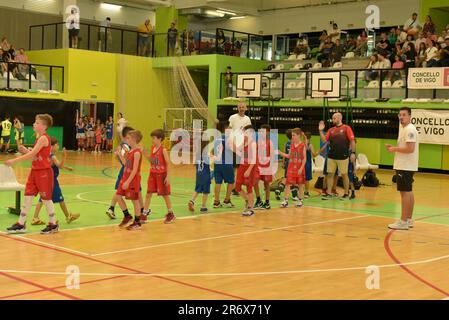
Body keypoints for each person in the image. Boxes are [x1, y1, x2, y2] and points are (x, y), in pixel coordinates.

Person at [5, 114, 58, 234]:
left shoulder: (44, 138)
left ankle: (53, 223)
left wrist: (14, 161)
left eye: (37, 122)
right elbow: (35, 155)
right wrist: (26, 150)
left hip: (44, 172)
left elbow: (31, 155)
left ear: (44, 126)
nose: (34, 124)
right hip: (34, 171)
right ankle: (21, 223)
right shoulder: (38, 138)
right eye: (35, 122)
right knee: (27, 197)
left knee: (46, 199)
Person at [31, 138, 80, 225]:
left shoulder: (46, 154)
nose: (58, 147)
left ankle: (35, 217)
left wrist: (66, 167)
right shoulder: (52, 156)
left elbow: (53, 165)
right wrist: (64, 157)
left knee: (43, 198)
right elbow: (59, 165)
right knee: (60, 199)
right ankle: (67, 216)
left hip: (44, 179)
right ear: (52, 146)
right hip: (52, 180)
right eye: (57, 145)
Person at [385, 107, 419, 230]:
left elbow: (410, 149)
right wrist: (395, 147)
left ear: (410, 116)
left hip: (405, 166)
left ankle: (403, 221)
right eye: (400, 115)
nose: (401, 117)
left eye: (404, 115)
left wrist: (394, 149)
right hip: (407, 166)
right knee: (408, 191)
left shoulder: (409, 129)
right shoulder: (405, 129)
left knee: (405, 193)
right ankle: (408, 219)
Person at [319, 113, 356, 200]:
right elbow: (324, 140)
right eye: (332, 118)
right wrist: (321, 131)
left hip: (343, 156)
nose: (333, 120)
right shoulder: (331, 130)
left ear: (339, 118)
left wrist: (353, 153)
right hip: (331, 156)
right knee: (330, 175)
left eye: (334, 118)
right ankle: (329, 193)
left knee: (344, 175)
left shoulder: (347, 128)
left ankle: (346, 194)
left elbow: (352, 141)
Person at [142, 129, 176, 224]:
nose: (152, 140)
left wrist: (168, 177)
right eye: (151, 138)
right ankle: (144, 214)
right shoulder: (152, 148)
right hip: (152, 173)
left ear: (160, 139)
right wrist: (145, 154)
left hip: (161, 175)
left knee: (165, 195)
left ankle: (171, 214)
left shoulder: (163, 150)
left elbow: (168, 164)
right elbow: (152, 161)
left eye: (154, 138)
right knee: (148, 194)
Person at [115, 130, 143, 230]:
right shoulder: (130, 151)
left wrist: (128, 181)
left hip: (132, 179)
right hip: (125, 177)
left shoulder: (137, 152)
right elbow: (126, 164)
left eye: (129, 138)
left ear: (134, 139)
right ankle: (127, 216)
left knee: (134, 201)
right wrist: (119, 155)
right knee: (118, 196)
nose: (127, 140)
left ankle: (137, 222)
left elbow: (135, 169)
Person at [106, 126, 134, 220]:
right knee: (122, 192)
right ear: (127, 136)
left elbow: (117, 156)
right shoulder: (125, 146)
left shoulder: (126, 145)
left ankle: (111, 208)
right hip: (126, 170)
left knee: (119, 191)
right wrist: (120, 155)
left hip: (126, 169)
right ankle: (140, 211)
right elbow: (123, 160)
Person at [232, 125, 259, 216]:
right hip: (242, 166)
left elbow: (254, 159)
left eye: (244, 132)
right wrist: (232, 143)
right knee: (237, 187)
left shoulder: (253, 144)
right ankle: (247, 201)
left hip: (250, 167)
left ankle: (251, 209)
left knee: (248, 187)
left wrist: (249, 170)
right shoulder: (244, 142)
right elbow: (238, 152)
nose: (243, 134)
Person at [278, 128, 306, 208]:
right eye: (292, 135)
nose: (292, 137)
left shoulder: (302, 145)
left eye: (294, 135)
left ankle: (300, 200)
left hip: (299, 167)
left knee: (300, 184)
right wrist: (281, 153)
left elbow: (304, 158)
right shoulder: (292, 144)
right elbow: (289, 156)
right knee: (287, 184)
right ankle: (285, 201)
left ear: (299, 136)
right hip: (291, 167)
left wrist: (301, 168)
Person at [228, 102, 252, 195]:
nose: (241, 108)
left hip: (243, 147)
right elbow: (229, 130)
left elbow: (248, 132)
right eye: (240, 107)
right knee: (233, 168)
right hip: (234, 146)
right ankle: (232, 186)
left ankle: (236, 187)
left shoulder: (247, 119)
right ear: (237, 108)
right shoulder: (232, 117)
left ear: (246, 108)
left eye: (243, 107)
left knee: (241, 168)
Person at [212, 121, 235, 208]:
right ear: (225, 129)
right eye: (229, 127)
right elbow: (234, 149)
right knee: (231, 181)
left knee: (218, 182)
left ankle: (216, 202)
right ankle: (227, 200)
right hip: (226, 163)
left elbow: (213, 151)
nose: (230, 129)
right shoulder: (227, 138)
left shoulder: (217, 138)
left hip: (217, 164)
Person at [188, 140, 212, 214]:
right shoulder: (206, 155)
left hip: (198, 175)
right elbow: (208, 166)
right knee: (206, 191)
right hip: (205, 175)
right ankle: (203, 206)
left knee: (197, 189)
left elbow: (197, 165)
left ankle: (192, 201)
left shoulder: (198, 154)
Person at [254, 124, 275, 210]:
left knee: (267, 185)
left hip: (266, 166)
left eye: (263, 131)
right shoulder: (258, 142)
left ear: (268, 132)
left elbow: (272, 156)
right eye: (261, 131)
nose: (261, 133)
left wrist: (272, 168)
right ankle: (258, 200)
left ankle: (267, 202)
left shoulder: (270, 143)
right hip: (258, 166)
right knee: (255, 182)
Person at [275, 129, 292, 201]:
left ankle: (278, 190)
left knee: (285, 178)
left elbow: (284, 154)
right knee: (293, 179)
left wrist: (283, 163)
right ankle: (294, 195)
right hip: (293, 163)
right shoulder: (294, 143)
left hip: (287, 162)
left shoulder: (286, 143)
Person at [304, 132, 321, 198]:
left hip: (301, 163)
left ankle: (298, 192)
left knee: (301, 178)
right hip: (307, 163)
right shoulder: (310, 145)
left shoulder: (301, 144)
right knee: (307, 179)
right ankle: (306, 192)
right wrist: (319, 151)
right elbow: (314, 155)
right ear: (310, 137)